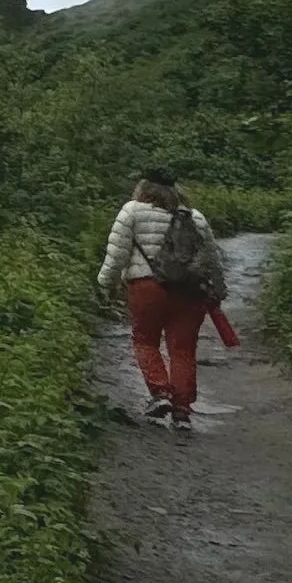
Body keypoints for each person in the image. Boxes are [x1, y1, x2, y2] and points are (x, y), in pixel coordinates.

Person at [96, 169, 222, 428]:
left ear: (143, 188)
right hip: (189, 292)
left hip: (147, 287)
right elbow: (212, 258)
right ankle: (182, 410)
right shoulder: (195, 217)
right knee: (183, 349)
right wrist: (218, 291)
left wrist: (105, 283)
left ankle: (160, 392)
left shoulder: (132, 211)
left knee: (145, 340)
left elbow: (117, 254)